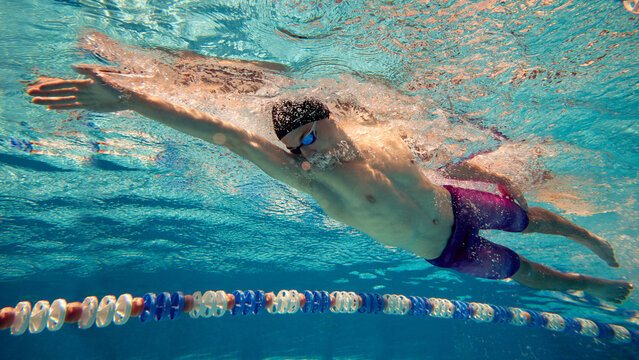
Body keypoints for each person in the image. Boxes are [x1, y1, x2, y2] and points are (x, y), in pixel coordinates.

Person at [26, 62, 632, 304]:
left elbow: (445, 159)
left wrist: (492, 172)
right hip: (445, 248)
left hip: (457, 202)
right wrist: (131, 99)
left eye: (314, 134)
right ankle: (588, 284)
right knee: (531, 273)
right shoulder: (316, 184)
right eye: (300, 146)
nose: (311, 148)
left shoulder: (381, 138)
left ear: (329, 121)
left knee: (544, 219)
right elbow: (223, 134)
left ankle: (592, 243)